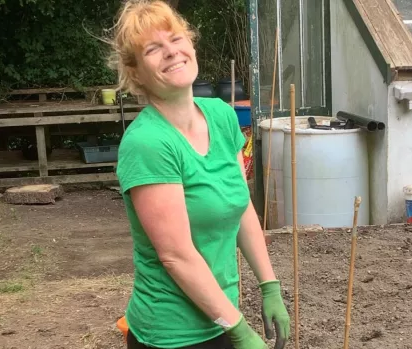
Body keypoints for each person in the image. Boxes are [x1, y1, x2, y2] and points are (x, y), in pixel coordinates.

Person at [108, 1, 291, 348]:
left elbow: (241, 207)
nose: (170, 52)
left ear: (191, 45)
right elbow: (175, 255)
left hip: (221, 316)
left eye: (175, 39)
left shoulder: (221, 116)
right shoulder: (148, 143)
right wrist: (240, 331)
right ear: (135, 72)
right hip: (172, 333)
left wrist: (269, 287)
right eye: (153, 49)